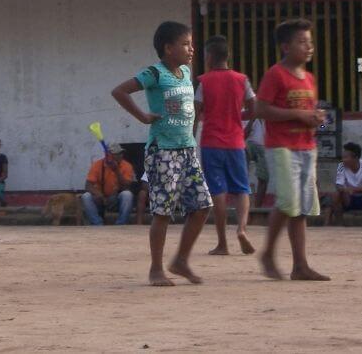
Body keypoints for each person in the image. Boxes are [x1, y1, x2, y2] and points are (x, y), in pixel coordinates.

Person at [110, 20, 212, 286]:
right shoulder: (154, 73)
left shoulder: (186, 73)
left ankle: (180, 261)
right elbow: (119, 91)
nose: (191, 49)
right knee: (163, 211)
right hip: (163, 151)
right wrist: (142, 116)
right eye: (185, 44)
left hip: (187, 150)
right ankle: (156, 269)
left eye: (191, 44)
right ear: (168, 48)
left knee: (202, 206)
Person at [255, 18, 330, 282]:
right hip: (282, 146)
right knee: (288, 202)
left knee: (302, 209)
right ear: (285, 47)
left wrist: (315, 116)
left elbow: (304, 112)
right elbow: (260, 109)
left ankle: (300, 265)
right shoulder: (275, 74)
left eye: (310, 42)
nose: (308, 47)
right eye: (302, 42)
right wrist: (299, 114)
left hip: (307, 146)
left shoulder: (309, 78)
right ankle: (267, 253)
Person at [194, 35, 257, 256]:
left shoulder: (204, 81)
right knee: (241, 189)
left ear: (209, 57)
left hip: (211, 142)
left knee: (217, 191)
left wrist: (191, 138)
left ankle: (222, 243)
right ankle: (241, 229)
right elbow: (254, 108)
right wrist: (240, 118)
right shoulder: (242, 80)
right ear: (227, 56)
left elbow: (196, 112)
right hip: (236, 142)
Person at [81, 143, 136, 226]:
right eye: (116, 154)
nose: (120, 156)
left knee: (127, 195)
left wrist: (116, 171)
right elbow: (88, 185)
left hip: (116, 199)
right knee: (86, 196)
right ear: (108, 155)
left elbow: (127, 187)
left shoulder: (127, 166)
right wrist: (99, 194)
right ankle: (98, 224)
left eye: (120, 153)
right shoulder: (97, 165)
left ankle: (120, 225)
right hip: (100, 198)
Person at [326, 142, 362, 226]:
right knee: (336, 195)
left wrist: (351, 190)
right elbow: (338, 185)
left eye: (346, 157)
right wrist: (345, 191)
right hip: (348, 198)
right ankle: (339, 224)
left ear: (356, 158)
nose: (343, 160)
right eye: (343, 157)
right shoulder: (341, 166)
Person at [245, 119, 270, 208]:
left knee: (263, 178)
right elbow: (243, 136)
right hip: (248, 145)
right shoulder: (247, 114)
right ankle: (245, 202)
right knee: (243, 151)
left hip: (264, 147)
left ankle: (257, 207)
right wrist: (252, 118)